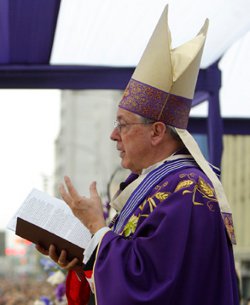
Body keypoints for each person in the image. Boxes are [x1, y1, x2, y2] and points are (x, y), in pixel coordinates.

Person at [36, 5, 239, 305]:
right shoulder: (155, 186)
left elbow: (154, 288)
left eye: (122, 124)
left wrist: (97, 228)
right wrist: (88, 262)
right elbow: (139, 270)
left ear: (157, 131)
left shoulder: (187, 189)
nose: (113, 135)